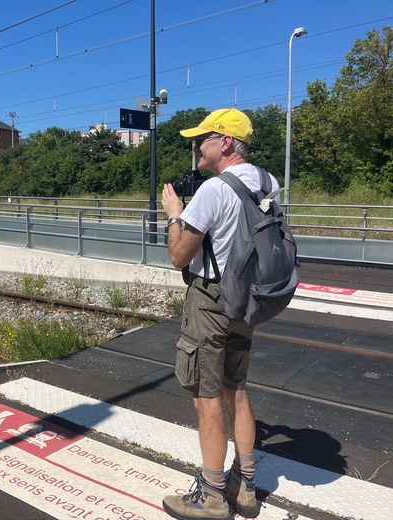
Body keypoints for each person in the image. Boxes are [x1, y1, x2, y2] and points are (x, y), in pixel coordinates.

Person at [161, 108, 278, 520]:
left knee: (206, 398)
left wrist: (175, 214)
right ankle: (244, 487)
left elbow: (179, 256)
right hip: (246, 298)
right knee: (237, 390)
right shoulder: (268, 182)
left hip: (211, 299)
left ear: (224, 143)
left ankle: (211, 496)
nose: (196, 146)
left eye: (202, 139)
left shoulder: (214, 190)